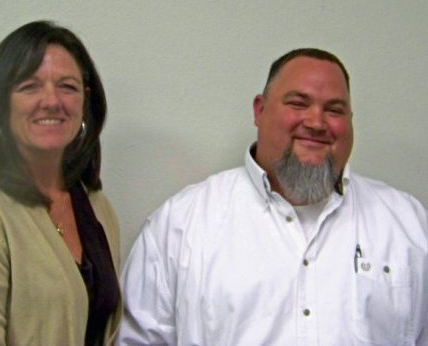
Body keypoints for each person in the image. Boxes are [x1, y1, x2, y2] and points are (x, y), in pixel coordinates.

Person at [117, 48, 428, 345]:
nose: (316, 122)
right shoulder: (181, 225)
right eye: (298, 103)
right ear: (260, 110)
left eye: (334, 110)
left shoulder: (407, 225)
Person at [0, 21, 122, 345]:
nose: (52, 101)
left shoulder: (97, 207)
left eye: (67, 87)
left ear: (85, 101)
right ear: (1, 104)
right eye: (30, 86)